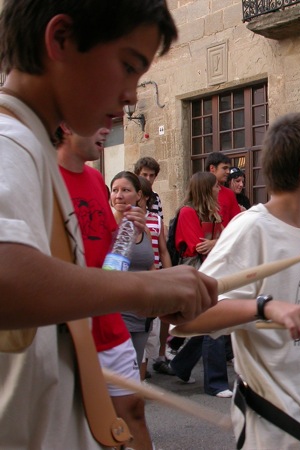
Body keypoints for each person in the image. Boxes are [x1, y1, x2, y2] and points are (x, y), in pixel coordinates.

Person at [0, 2, 216, 448]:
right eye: (128, 66)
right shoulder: (9, 143)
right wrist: (147, 290)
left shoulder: (33, 150)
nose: (133, 95)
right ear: (60, 41)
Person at [174, 112, 300, 449]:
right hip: (277, 427)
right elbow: (189, 319)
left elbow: (295, 301)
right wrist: (264, 308)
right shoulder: (252, 229)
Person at [57, 124, 153, 449]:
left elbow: (108, 250)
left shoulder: (95, 178)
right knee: (81, 428)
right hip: (68, 333)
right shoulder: (42, 174)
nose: (106, 127)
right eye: (96, 120)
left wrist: (129, 233)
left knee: (133, 413)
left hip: (110, 324)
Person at [168, 172, 231, 397]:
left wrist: (215, 243)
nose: (219, 189)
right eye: (215, 186)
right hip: (196, 272)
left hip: (210, 270)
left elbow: (219, 241)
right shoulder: (187, 212)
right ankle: (216, 383)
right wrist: (217, 243)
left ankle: (181, 365)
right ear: (205, 189)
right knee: (214, 324)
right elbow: (198, 246)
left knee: (207, 323)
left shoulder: (212, 212)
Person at [110, 171, 157, 380]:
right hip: (117, 310)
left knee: (136, 368)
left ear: (139, 195)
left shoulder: (144, 230)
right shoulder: (107, 228)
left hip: (142, 312)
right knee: (120, 375)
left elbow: (151, 266)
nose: (119, 195)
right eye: (115, 190)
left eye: (125, 190)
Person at [138, 175, 175, 378]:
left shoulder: (156, 221)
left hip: (155, 276)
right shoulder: (124, 220)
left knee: (152, 326)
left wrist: (167, 276)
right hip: (136, 277)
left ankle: (149, 365)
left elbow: (163, 251)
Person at [206, 151, 241, 227]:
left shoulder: (229, 193)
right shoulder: (198, 191)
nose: (228, 172)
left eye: (228, 168)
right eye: (224, 168)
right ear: (212, 168)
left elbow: (237, 222)